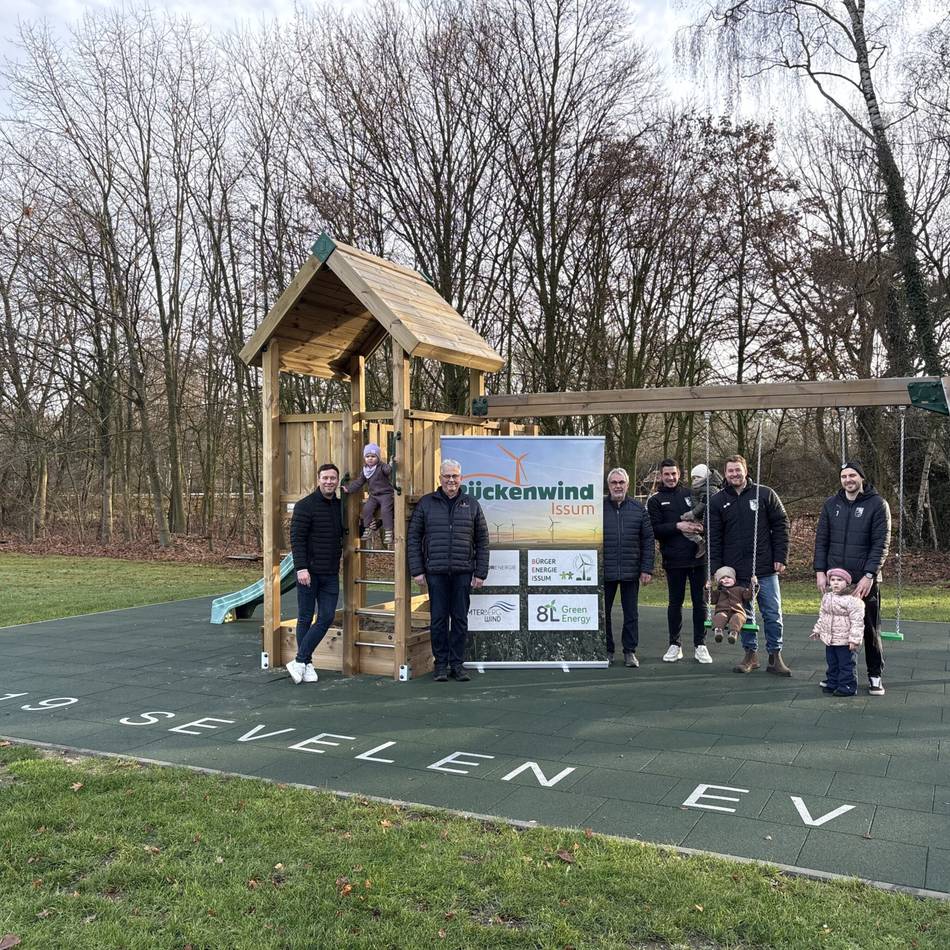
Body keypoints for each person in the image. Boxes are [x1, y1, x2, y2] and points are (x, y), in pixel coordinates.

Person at [708, 454, 791, 676]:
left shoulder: (764, 494)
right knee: (744, 614)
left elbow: (781, 524)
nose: (734, 474)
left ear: (746, 470)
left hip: (764, 566)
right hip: (735, 571)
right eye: (730, 471)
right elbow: (713, 538)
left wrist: (781, 556)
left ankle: (775, 656)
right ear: (725, 474)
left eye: (738, 469)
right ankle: (750, 655)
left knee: (772, 613)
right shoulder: (717, 501)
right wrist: (715, 569)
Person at [813, 461, 891, 696]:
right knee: (835, 627)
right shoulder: (831, 504)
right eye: (844, 476)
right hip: (836, 581)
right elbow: (822, 540)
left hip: (863, 581)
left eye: (853, 475)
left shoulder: (878, 505)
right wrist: (820, 571)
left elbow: (881, 544)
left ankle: (875, 675)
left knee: (868, 629)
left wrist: (870, 575)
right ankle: (838, 676)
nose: (848, 480)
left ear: (861, 478)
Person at [408, 459, 489, 682]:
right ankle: (440, 665)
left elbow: (482, 540)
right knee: (438, 620)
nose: (451, 480)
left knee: (460, 620)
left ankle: (457, 664)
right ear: (440, 478)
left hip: (463, 571)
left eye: (455, 476)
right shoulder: (426, 504)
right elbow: (413, 538)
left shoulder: (471, 504)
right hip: (436, 572)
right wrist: (417, 570)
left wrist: (480, 572)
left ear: (461, 479)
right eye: (447, 476)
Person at [647, 458, 711, 664]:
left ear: (679, 474)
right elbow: (654, 530)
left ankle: (700, 645)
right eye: (666, 474)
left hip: (698, 558)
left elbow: (707, 516)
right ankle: (675, 645)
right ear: (661, 475)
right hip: (673, 560)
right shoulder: (655, 500)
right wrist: (677, 526)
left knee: (700, 603)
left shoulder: (690, 494)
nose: (671, 477)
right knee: (675, 603)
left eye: (674, 474)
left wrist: (702, 528)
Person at [286, 463, 344, 685]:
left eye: (332, 478)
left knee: (327, 616)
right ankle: (307, 664)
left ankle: (300, 661)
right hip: (309, 573)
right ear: (318, 479)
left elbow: (348, 531)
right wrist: (301, 568)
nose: (329, 482)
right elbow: (297, 539)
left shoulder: (340, 507)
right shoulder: (305, 506)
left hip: (330, 572)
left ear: (337, 481)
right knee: (305, 617)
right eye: (325, 478)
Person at [603, 467, 654, 668]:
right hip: (605, 571)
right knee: (603, 613)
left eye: (621, 482)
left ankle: (629, 651)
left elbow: (648, 540)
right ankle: (607, 650)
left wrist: (647, 568)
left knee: (631, 613)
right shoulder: (598, 508)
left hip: (631, 570)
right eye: (614, 482)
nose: (617, 486)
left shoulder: (639, 508)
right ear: (608, 485)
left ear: (627, 484)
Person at [809, 567, 865, 697]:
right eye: (833, 580)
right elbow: (823, 615)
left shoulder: (853, 600)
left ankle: (847, 686)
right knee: (832, 663)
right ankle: (833, 682)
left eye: (839, 580)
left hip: (845, 640)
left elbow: (857, 622)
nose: (835, 583)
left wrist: (854, 640)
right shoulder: (827, 597)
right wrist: (817, 630)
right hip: (830, 638)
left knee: (846, 664)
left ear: (847, 583)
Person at [343, 442, 395, 546]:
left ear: (378, 457)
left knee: (385, 510)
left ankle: (389, 531)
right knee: (366, 509)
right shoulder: (365, 470)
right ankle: (369, 527)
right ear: (364, 458)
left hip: (386, 494)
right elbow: (359, 482)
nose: (370, 458)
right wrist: (348, 489)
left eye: (373, 456)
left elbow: (388, 470)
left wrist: (391, 464)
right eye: (367, 456)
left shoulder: (382, 466)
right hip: (374, 496)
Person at [709, 566, 754, 644]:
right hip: (722, 611)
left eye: (728, 577)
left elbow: (748, 596)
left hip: (738, 612)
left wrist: (753, 585)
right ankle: (718, 631)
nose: (726, 579)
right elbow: (712, 600)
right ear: (719, 581)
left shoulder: (740, 589)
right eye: (723, 578)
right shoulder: (719, 592)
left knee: (737, 618)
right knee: (720, 616)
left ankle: (733, 633)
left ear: (734, 579)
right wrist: (708, 589)